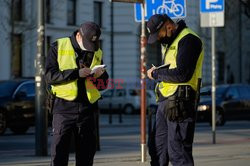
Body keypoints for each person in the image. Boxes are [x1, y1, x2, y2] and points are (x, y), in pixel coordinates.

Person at [45, 22, 109, 166]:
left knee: (86, 156)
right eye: (86, 43)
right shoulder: (58, 46)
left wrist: (97, 76)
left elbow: (104, 85)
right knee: (59, 155)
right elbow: (49, 76)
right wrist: (76, 73)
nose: (89, 48)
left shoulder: (96, 51)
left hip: (88, 110)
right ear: (78, 35)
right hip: (63, 108)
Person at [146, 14, 204, 166]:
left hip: (181, 103)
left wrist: (156, 74)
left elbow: (182, 74)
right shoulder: (172, 41)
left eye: (159, 35)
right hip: (166, 101)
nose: (159, 39)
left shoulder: (189, 40)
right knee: (157, 149)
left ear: (169, 27)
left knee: (178, 152)